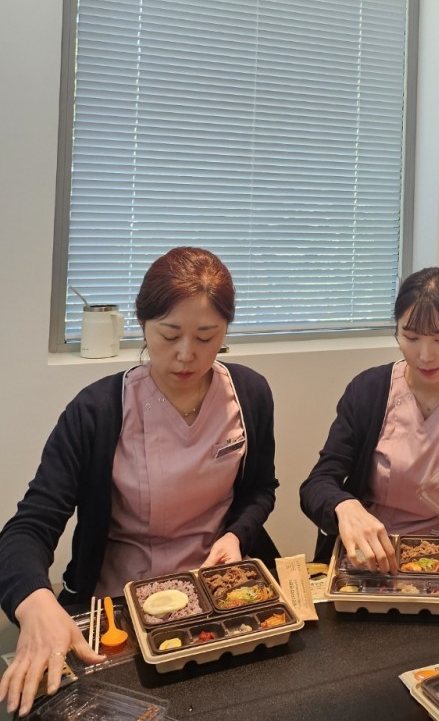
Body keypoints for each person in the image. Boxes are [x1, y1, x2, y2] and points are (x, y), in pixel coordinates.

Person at [0, 247, 279, 717]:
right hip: (118, 609)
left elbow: (260, 490)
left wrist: (236, 535)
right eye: (169, 335)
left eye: (206, 337)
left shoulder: (249, 394)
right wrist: (34, 602)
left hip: (217, 594)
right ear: (143, 324)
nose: (186, 354)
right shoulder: (96, 411)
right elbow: (28, 526)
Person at [299, 267, 439, 585]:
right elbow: (316, 485)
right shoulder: (369, 391)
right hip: (367, 559)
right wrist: (344, 507)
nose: (425, 356)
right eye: (411, 337)